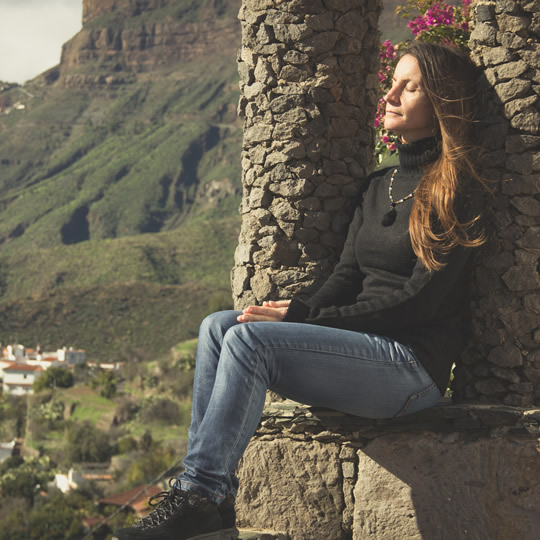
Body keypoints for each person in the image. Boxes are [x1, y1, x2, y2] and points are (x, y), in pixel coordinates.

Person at [112, 41, 488, 540]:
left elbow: (419, 303)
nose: (391, 94)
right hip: (364, 352)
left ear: (440, 103)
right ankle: (217, 502)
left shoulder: (455, 190)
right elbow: (346, 275)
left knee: (248, 341)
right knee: (219, 327)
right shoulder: (379, 185)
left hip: (410, 369)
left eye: (410, 86)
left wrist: (309, 322)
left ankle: (198, 493)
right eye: (392, 81)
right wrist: (301, 307)